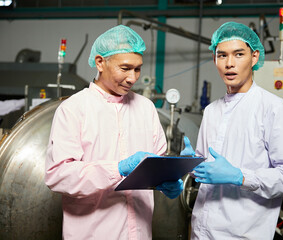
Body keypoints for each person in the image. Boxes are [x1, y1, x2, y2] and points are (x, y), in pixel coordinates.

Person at [45, 25, 183, 240]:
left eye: (137, 69)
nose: (133, 78)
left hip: (139, 233)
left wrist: (168, 178)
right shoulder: (74, 109)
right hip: (93, 233)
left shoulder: (146, 108)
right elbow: (59, 175)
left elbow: (156, 163)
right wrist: (117, 169)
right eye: (125, 68)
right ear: (100, 62)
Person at [181, 22, 283, 239]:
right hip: (202, 231)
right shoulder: (211, 110)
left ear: (254, 57)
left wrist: (240, 177)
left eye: (238, 54)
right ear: (214, 59)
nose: (229, 63)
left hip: (243, 234)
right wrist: (192, 163)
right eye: (222, 55)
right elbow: (207, 169)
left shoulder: (273, 108)